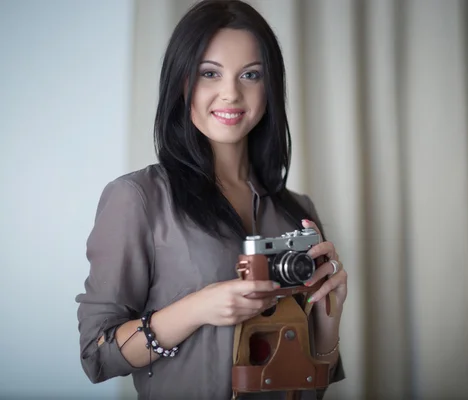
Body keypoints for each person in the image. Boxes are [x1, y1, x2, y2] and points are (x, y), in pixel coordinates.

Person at [75, 0, 347, 399]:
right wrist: (197, 309)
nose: (231, 94)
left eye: (250, 74)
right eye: (210, 74)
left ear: (270, 86)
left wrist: (328, 318)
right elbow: (96, 356)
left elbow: (313, 381)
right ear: (182, 82)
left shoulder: (298, 212)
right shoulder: (138, 199)